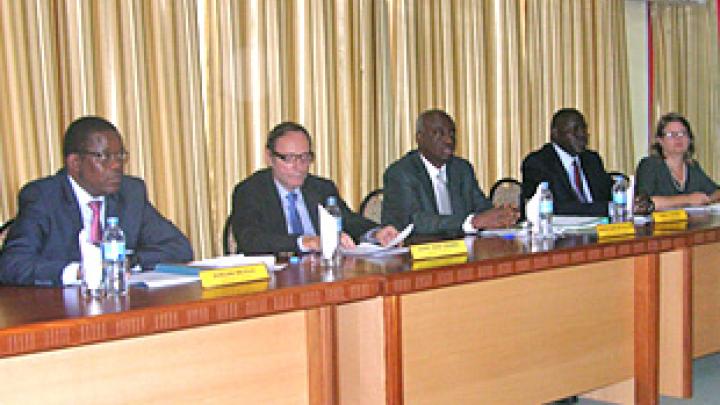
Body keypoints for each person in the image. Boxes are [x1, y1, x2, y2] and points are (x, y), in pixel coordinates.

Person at [0, 116, 193, 286]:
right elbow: (12, 264)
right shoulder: (43, 197)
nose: (117, 165)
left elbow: (178, 247)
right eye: (104, 157)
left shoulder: (130, 193)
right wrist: (79, 272)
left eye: (120, 156)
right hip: (59, 312)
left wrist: (126, 261)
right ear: (75, 163)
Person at [229, 121, 398, 254]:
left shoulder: (321, 188)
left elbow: (348, 221)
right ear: (269, 157)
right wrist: (306, 242)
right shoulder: (250, 191)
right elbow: (250, 240)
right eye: (288, 158)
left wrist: (375, 233)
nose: (299, 166)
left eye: (304, 157)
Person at [381, 109, 518, 235]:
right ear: (419, 138)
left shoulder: (462, 169)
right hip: (419, 253)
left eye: (451, 133)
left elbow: (481, 207)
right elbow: (414, 222)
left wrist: (500, 215)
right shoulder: (401, 173)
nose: (448, 140)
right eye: (438, 133)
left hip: (465, 251)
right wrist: (472, 222)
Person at [521, 108, 613, 216]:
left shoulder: (592, 159)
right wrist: (607, 208)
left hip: (601, 226)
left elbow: (609, 191)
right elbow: (553, 207)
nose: (582, 135)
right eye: (575, 130)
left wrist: (630, 200)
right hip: (561, 230)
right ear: (555, 134)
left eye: (584, 128)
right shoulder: (537, 163)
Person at [635, 113, 720, 210]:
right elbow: (644, 202)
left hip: (692, 223)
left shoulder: (692, 166)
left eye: (683, 133)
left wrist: (707, 199)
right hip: (659, 224)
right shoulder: (650, 165)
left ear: (689, 139)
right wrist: (688, 199)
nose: (678, 138)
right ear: (660, 141)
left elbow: (716, 191)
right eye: (671, 134)